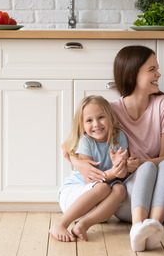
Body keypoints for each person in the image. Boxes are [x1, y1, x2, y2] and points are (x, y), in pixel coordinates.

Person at [68, 46, 164, 252]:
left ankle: (153, 226)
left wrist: (139, 163)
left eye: (157, 68)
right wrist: (80, 165)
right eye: (152, 69)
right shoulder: (110, 111)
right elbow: (68, 145)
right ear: (133, 73)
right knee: (146, 169)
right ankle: (138, 227)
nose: (159, 74)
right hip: (129, 202)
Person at [51, 95, 130, 242]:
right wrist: (114, 171)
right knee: (102, 188)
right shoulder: (85, 141)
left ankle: (83, 224)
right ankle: (60, 223)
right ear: (82, 125)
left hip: (97, 207)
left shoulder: (120, 137)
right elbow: (90, 180)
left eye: (101, 117)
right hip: (76, 196)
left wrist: (121, 167)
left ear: (110, 117)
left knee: (120, 189)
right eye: (89, 120)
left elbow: (122, 175)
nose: (96, 124)